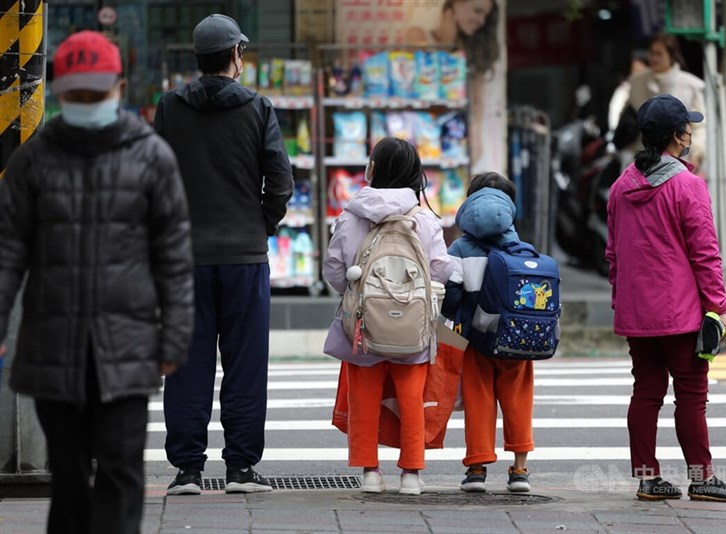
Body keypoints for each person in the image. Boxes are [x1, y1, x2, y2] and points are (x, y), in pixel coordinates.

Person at [0, 31, 194, 534]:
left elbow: (173, 256)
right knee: (67, 478)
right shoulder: (33, 161)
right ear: (60, 92)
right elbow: (7, 255)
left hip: (127, 346)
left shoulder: (152, 157)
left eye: (96, 93)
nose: (85, 103)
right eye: (76, 94)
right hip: (52, 345)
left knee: (121, 470)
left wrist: (174, 336)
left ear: (119, 88)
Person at [154, 14, 294, 495]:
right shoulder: (258, 107)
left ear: (198, 59)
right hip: (243, 256)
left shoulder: (170, 107)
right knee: (245, 363)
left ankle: (187, 470)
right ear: (236, 55)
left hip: (184, 258)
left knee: (188, 363)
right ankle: (240, 469)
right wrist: (261, 224)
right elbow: (279, 180)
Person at [605, 94, 726, 503]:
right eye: (688, 128)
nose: (691, 134)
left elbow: (612, 254)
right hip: (682, 314)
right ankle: (702, 477)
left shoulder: (620, 187)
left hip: (637, 313)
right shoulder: (688, 186)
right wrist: (718, 308)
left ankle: (648, 479)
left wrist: (622, 300)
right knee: (691, 394)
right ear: (677, 137)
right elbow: (705, 253)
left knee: (645, 392)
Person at [322, 137, 452, 495]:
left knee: (362, 398)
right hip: (413, 325)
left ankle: (370, 473)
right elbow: (439, 271)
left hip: (364, 326)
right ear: (415, 174)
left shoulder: (351, 216)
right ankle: (411, 473)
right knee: (412, 398)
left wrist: (355, 293)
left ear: (372, 170)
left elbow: (334, 270)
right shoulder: (423, 219)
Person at [441, 172, 534, 494]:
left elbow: (450, 297)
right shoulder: (523, 249)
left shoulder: (459, 248)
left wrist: (457, 318)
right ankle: (519, 470)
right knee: (518, 399)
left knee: (478, 400)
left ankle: (477, 468)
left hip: (474, 339)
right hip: (517, 339)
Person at [406, 0, 499, 166]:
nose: (481, 21)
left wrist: (475, 140)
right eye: (477, 11)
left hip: (456, 141)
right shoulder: (418, 36)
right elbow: (425, 82)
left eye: (486, 16)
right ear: (456, 4)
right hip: (420, 135)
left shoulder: (474, 52)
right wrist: (447, 43)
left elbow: (477, 103)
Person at [628, 33, 706, 171]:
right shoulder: (636, 82)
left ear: (672, 55)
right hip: (641, 160)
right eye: (651, 53)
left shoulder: (691, 85)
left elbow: (699, 127)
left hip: (680, 162)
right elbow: (628, 116)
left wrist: (697, 154)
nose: (654, 58)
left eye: (659, 53)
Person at [608, 49, 649, 133]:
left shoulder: (653, 87)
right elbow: (614, 118)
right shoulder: (624, 89)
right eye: (634, 68)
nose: (637, 71)